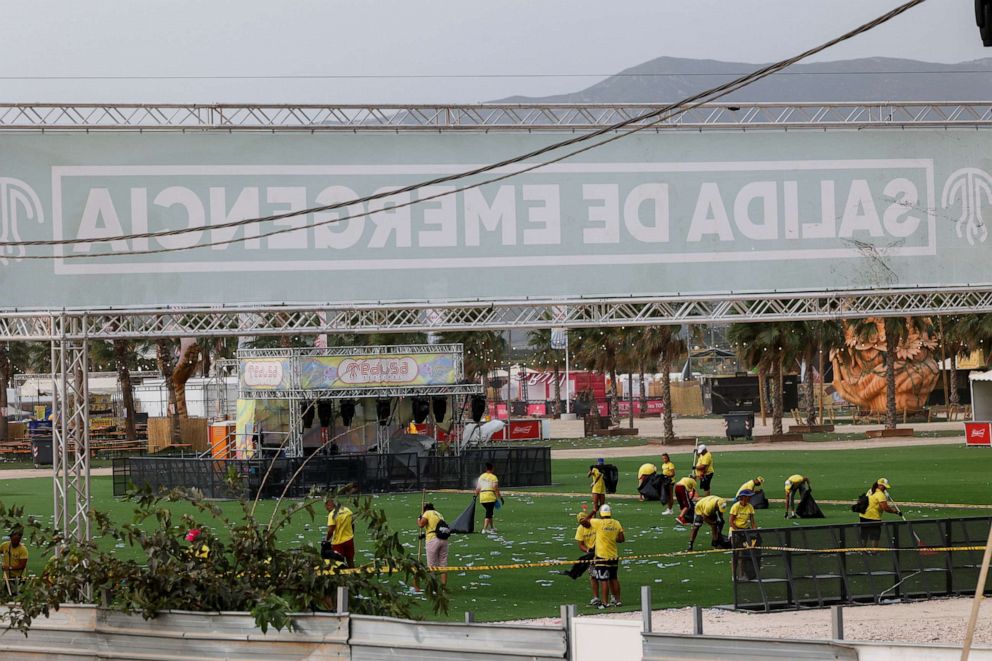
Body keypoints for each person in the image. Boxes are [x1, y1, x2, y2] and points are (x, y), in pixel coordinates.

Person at [580, 504, 625, 609]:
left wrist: (592, 511)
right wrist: (612, 538)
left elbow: (583, 521)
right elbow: (622, 539)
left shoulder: (598, 523)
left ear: (601, 513)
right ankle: (618, 600)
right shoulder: (616, 523)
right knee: (614, 578)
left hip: (602, 556)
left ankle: (605, 602)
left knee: (603, 579)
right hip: (613, 555)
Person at [564, 509, 599, 605]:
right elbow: (580, 545)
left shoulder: (595, 523)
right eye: (581, 523)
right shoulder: (580, 529)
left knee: (605, 576)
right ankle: (596, 598)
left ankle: (612, 597)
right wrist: (588, 550)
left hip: (602, 552)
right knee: (593, 576)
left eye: (584, 522)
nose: (583, 524)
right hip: (591, 555)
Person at [859, 478, 899, 547]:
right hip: (873, 517)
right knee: (875, 535)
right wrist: (895, 511)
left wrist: (884, 494)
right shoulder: (880, 495)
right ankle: (874, 551)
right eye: (884, 486)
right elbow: (885, 508)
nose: (885, 488)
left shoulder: (871, 490)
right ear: (879, 485)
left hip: (863, 515)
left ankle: (862, 550)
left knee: (864, 534)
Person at [418, 502, 449, 586]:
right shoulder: (439, 514)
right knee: (443, 565)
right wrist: (424, 535)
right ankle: (443, 586)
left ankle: (432, 586)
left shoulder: (427, 513)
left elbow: (421, 524)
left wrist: (419, 518)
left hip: (432, 540)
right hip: (444, 540)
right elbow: (436, 528)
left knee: (431, 565)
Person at [729, 491, 758, 580]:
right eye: (748, 497)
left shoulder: (750, 507)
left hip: (745, 531)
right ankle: (734, 575)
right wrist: (738, 531)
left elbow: (752, 521)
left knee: (744, 555)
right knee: (736, 555)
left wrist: (755, 531)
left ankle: (742, 574)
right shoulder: (736, 506)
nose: (749, 498)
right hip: (735, 532)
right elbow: (731, 521)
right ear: (743, 497)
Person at [325, 496, 355, 568]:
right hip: (349, 540)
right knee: (350, 560)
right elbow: (352, 524)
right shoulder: (347, 510)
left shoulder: (332, 514)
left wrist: (326, 540)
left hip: (338, 542)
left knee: (338, 564)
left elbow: (330, 530)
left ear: (329, 505)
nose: (327, 510)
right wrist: (351, 534)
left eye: (326, 507)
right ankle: (353, 576)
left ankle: (342, 578)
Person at [475, 463, 502, 533]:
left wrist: (476, 495)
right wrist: (500, 497)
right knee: (489, 513)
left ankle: (492, 527)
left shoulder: (481, 477)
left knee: (490, 512)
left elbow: (478, 488)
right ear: (492, 469)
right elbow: (495, 488)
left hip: (482, 497)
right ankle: (484, 529)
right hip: (490, 497)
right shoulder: (494, 477)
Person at [1, 527, 28, 596]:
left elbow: (22, 566)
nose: (15, 542)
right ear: (11, 538)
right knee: (6, 596)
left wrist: (9, 568)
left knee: (17, 596)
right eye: (13, 539)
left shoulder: (23, 549)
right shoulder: (5, 545)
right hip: (7, 577)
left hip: (18, 578)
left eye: (17, 540)